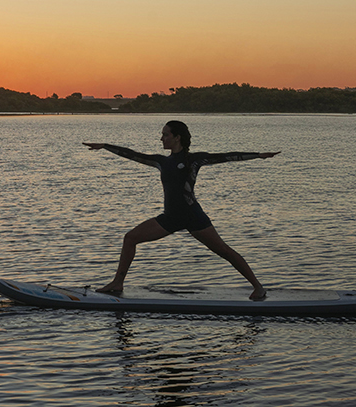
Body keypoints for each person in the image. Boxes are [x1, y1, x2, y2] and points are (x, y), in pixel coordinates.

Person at [84, 121, 278, 300]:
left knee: (224, 251)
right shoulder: (162, 162)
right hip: (170, 218)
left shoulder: (193, 160)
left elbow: (226, 157)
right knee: (130, 238)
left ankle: (258, 287)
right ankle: (117, 283)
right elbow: (133, 155)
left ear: (177, 137)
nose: (161, 138)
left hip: (192, 216)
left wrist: (258, 155)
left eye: (165, 135)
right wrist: (105, 146)